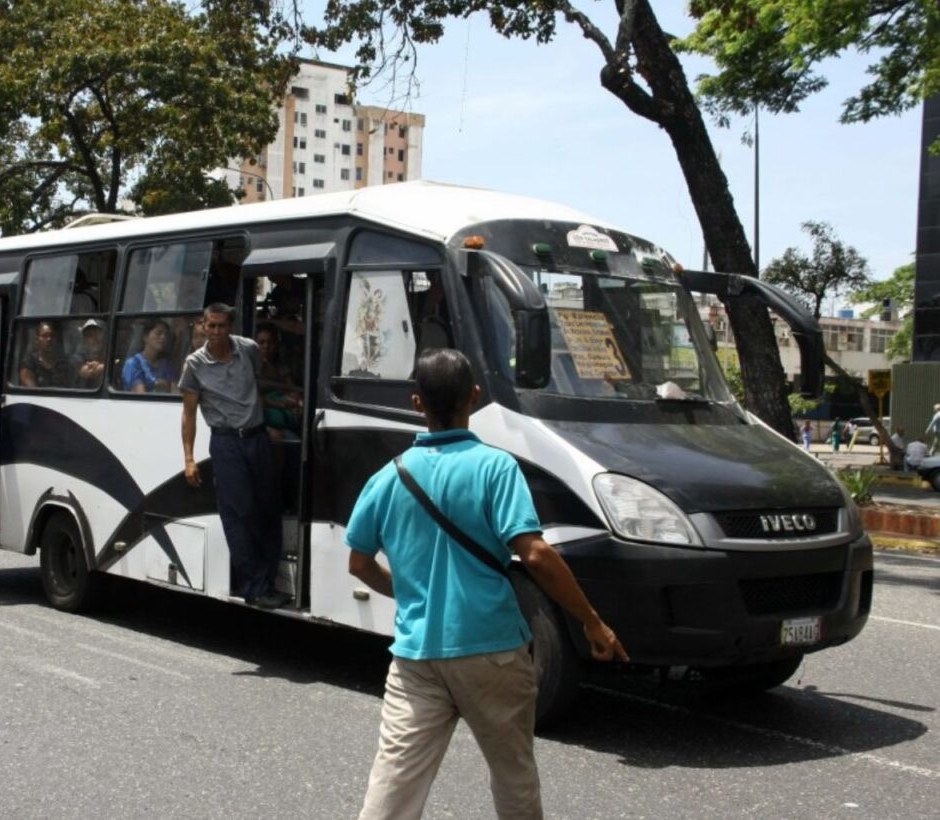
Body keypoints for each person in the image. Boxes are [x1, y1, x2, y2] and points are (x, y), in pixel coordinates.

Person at [345, 349, 627, 820]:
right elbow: (535, 553)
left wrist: (407, 592)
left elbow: (359, 563)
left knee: (395, 784)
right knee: (512, 773)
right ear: (474, 397)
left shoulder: (387, 477)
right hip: (491, 649)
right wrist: (592, 622)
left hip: (416, 656)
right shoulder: (497, 467)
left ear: (417, 403)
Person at [179, 303, 289, 609]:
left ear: (231, 326)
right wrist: (188, 458)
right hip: (226, 444)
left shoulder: (249, 350)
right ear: (202, 325)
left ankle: (267, 581)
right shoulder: (194, 364)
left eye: (221, 326)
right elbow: (188, 414)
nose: (214, 332)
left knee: (268, 510)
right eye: (209, 326)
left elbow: (258, 383)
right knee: (240, 514)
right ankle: (254, 586)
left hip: (257, 438)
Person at [255, 323, 302, 442]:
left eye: (270, 343)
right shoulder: (251, 367)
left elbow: (292, 389)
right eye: (262, 342)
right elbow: (255, 399)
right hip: (262, 419)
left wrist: (298, 401)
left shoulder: (280, 367)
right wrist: (280, 403)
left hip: (286, 417)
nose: (266, 346)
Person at [122, 318, 177, 393]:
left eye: (165, 335)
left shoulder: (166, 364)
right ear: (146, 337)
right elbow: (141, 395)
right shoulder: (133, 363)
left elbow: (175, 392)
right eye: (158, 333)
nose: (163, 337)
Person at [19, 321, 73, 388]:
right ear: (37, 340)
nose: (49, 339)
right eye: (44, 336)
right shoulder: (29, 363)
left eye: (52, 335)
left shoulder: (63, 363)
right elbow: (32, 391)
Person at [76, 318, 107, 389]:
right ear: (84, 340)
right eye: (90, 335)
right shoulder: (78, 357)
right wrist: (105, 366)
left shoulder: (109, 354)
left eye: (98, 333)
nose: (95, 338)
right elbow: (86, 372)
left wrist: (100, 365)